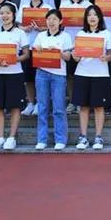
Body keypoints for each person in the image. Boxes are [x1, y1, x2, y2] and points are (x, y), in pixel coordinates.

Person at [0, 3, 30, 151]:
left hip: (14, 73)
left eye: (7, 13)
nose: (4, 16)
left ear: (13, 15)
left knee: (15, 106)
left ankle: (11, 137)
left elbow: (26, 54)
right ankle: (0, 137)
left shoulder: (20, 33)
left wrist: (13, 60)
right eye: (2, 13)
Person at [72, 5, 111, 150]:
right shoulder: (80, 34)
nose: (92, 17)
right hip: (82, 73)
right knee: (83, 107)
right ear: (86, 18)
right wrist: (75, 56)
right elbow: (77, 56)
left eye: (95, 15)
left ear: (99, 18)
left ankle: (98, 137)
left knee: (98, 107)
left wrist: (106, 58)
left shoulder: (106, 34)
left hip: (100, 74)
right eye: (89, 15)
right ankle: (83, 137)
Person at [32, 9, 73, 150]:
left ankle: (60, 139)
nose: (51, 22)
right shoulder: (40, 36)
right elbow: (34, 54)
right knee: (42, 107)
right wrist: (38, 49)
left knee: (59, 107)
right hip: (42, 73)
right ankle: (41, 139)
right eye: (49, 19)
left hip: (58, 74)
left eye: (55, 19)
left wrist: (58, 52)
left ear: (60, 21)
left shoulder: (65, 36)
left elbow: (68, 57)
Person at [18, 0, 50, 116]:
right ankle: (30, 102)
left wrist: (41, 28)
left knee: (41, 78)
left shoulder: (48, 8)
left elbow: (53, 26)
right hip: (28, 46)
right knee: (28, 78)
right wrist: (24, 28)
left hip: (42, 47)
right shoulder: (24, 7)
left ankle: (40, 103)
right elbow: (17, 25)